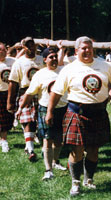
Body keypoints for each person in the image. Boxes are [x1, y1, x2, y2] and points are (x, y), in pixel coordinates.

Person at [45, 36, 111, 196]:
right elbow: (56, 92)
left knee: (94, 150)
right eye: (83, 48)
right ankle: (75, 183)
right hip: (77, 112)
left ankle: (88, 179)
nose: (87, 50)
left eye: (89, 47)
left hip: (98, 113)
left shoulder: (104, 65)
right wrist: (50, 111)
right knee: (76, 150)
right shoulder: (69, 68)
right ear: (76, 51)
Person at [15, 47, 68, 180]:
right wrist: (21, 108)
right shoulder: (40, 74)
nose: (54, 59)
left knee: (59, 139)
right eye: (51, 57)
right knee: (47, 139)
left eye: (55, 56)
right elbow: (30, 93)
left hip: (63, 108)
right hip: (45, 109)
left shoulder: (64, 72)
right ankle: (48, 169)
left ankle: (55, 161)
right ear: (44, 60)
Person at [7, 36, 45, 161]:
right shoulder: (19, 62)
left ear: (35, 45)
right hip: (26, 92)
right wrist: (10, 102)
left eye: (32, 45)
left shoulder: (41, 60)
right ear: (23, 47)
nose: (30, 47)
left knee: (40, 121)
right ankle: (30, 149)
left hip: (41, 93)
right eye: (27, 45)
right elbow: (13, 82)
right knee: (27, 120)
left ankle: (44, 147)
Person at [0, 42, 15, 152]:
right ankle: (3, 140)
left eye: (5, 50)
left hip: (10, 92)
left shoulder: (12, 61)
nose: (4, 51)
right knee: (2, 118)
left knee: (8, 117)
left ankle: (3, 139)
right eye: (1, 50)